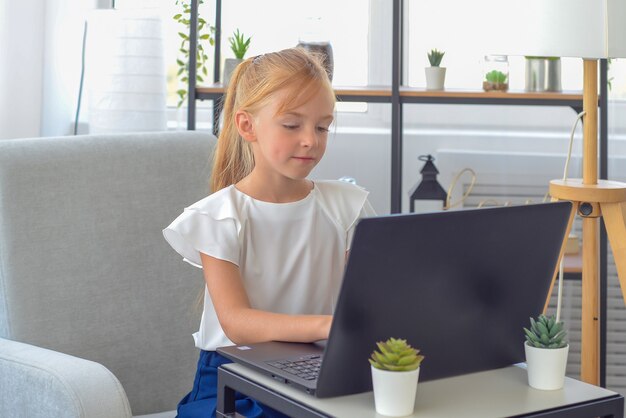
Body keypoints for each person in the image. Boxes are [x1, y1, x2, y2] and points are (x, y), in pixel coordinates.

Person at [163, 47, 376, 418]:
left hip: (323, 364)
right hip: (234, 378)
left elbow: (363, 296)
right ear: (247, 126)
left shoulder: (346, 206)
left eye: (322, 126)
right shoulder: (219, 216)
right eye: (292, 125)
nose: (311, 139)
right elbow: (237, 322)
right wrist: (330, 325)